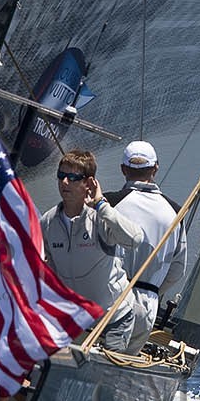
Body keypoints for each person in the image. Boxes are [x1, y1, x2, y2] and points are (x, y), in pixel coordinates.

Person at [39, 149, 144, 351]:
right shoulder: (48, 222)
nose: (64, 183)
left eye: (73, 177)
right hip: (76, 318)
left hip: (113, 317)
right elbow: (49, 266)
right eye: (61, 176)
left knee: (104, 374)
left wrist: (101, 205)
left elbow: (135, 239)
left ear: (89, 183)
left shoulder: (101, 218)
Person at [110, 140, 187, 351]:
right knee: (125, 363)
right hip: (149, 306)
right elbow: (177, 270)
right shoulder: (176, 212)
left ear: (123, 169)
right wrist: (153, 291)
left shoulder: (108, 204)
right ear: (155, 168)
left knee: (105, 355)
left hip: (113, 299)